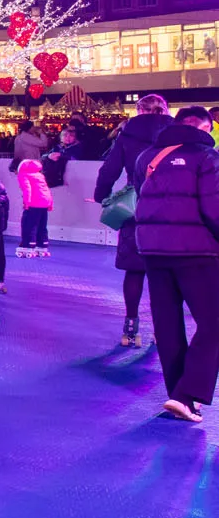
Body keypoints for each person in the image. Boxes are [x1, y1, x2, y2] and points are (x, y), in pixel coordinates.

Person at [132, 106, 219, 423]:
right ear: (205, 128)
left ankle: (179, 397)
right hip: (197, 252)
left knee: (167, 325)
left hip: (153, 250)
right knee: (214, 323)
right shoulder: (207, 157)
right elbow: (215, 208)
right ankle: (186, 395)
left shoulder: (148, 157)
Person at [93, 94, 171, 348]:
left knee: (134, 269)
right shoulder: (176, 134)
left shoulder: (127, 134)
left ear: (138, 110)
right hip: (171, 208)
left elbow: (109, 169)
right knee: (165, 272)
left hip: (135, 207)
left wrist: (101, 195)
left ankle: (130, 325)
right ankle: (162, 327)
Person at [16, 158, 53, 258]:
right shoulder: (40, 175)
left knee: (29, 224)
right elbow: (46, 190)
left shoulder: (23, 175)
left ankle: (28, 244)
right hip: (44, 203)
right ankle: (42, 244)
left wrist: (26, 202)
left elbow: (27, 189)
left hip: (33, 203)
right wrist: (50, 203)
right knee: (42, 225)